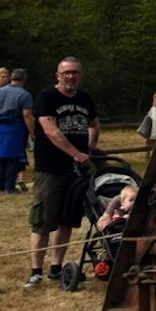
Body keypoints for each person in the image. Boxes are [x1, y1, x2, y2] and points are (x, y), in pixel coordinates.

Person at [26, 56, 99, 288]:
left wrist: (89, 148)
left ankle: (56, 267)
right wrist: (77, 154)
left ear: (81, 75)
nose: (71, 76)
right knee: (43, 220)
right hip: (51, 168)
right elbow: (50, 130)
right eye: (66, 72)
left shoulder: (85, 98)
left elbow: (94, 125)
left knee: (68, 219)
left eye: (75, 72)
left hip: (76, 173)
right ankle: (36, 271)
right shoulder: (47, 97)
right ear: (58, 75)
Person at [0, 68, 34, 194]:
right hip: (15, 127)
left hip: (0, 127)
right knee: (13, 157)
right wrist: (32, 132)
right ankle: (10, 186)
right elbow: (27, 115)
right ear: (24, 79)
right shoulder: (24, 94)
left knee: (0, 157)